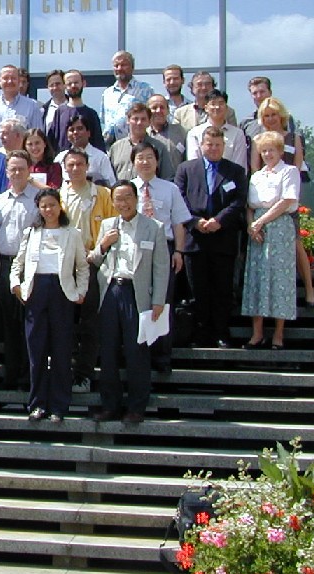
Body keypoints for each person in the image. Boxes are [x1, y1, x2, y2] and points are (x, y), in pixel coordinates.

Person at [88, 181, 168, 424]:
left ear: (136, 199)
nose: (123, 203)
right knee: (109, 352)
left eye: (127, 198)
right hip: (111, 290)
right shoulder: (108, 225)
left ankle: (136, 408)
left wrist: (158, 301)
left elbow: (161, 267)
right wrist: (103, 245)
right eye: (118, 199)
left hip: (138, 293)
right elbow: (93, 259)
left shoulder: (153, 227)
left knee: (137, 352)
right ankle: (110, 406)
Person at [9, 189, 88, 422]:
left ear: (59, 206)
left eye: (52, 205)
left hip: (62, 292)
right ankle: (37, 404)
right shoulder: (31, 233)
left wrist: (81, 291)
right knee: (37, 350)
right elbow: (18, 263)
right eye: (43, 206)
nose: (48, 210)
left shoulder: (72, 233)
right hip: (36, 291)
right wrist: (16, 284)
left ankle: (59, 406)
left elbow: (82, 267)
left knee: (62, 350)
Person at [174, 126, 248, 349]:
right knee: (198, 290)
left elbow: (239, 201)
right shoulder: (186, 169)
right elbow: (179, 199)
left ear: (223, 146)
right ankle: (200, 333)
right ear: (201, 145)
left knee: (222, 290)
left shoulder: (235, 171)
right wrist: (195, 221)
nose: (214, 148)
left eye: (218, 145)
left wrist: (219, 221)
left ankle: (221, 333)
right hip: (194, 239)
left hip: (223, 238)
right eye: (210, 144)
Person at [59, 148, 118, 394]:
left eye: (79, 164)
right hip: (65, 266)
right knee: (65, 322)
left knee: (89, 323)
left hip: (94, 264)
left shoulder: (103, 194)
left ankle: (84, 374)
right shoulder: (59, 195)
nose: (75, 169)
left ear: (87, 166)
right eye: (70, 165)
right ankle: (65, 372)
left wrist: (99, 249)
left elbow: (114, 228)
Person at [130, 143, 192, 373]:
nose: (144, 162)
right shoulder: (127, 189)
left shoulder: (170, 189)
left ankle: (162, 357)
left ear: (157, 162)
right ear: (133, 163)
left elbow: (178, 223)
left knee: (162, 303)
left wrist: (179, 251)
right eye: (140, 158)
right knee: (137, 304)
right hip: (135, 249)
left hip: (163, 247)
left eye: (149, 158)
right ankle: (138, 355)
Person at [249, 96, 314, 308]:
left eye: (273, 115)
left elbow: (297, 166)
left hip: (287, 198)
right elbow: (255, 168)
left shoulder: (293, 137)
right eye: (266, 116)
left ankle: (310, 290)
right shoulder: (259, 139)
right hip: (267, 197)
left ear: (282, 116)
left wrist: (287, 193)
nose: (270, 119)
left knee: (296, 244)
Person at [241, 131, 299, 350]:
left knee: (278, 278)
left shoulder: (289, 171)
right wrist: (251, 225)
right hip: (257, 231)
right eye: (263, 151)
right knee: (257, 277)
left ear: (280, 151)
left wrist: (261, 221)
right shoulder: (256, 176)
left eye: (271, 150)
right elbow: (250, 206)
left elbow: (287, 200)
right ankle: (257, 334)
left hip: (279, 227)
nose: (267, 154)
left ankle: (278, 334)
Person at [0, 150, 39, 390]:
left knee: (28, 323)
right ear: (7, 172)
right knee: (8, 323)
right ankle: (10, 375)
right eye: (13, 169)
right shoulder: (0, 199)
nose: (17, 172)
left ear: (29, 170)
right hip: (3, 265)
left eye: (21, 168)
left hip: (29, 267)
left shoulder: (38, 198)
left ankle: (27, 377)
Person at [109, 103, 175, 181]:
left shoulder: (159, 147)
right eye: (135, 119)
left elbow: (168, 178)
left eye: (143, 119)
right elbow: (110, 179)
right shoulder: (116, 148)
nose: (139, 123)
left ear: (149, 122)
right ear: (128, 120)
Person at [0, 65, 43, 149]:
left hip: (22, 158)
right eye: (6, 78)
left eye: (13, 78)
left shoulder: (32, 106)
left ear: (18, 82)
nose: (10, 81)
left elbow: (37, 136)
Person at [101, 51, 155, 145]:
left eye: (123, 65)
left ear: (132, 67)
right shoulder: (107, 93)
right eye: (116, 65)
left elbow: (152, 119)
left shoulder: (145, 89)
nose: (119, 68)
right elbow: (103, 121)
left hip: (136, 145)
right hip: (110, 147)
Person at [186, 90, 248, 169]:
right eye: (213, 104)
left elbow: (240, 165)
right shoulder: (195, 133)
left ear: (226, 108)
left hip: (231, 179)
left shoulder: (237, 134)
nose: (217, 107)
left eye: (221, 103)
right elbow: (193, 164)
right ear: (206, 108)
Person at [48, 69, 105, 153]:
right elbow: (52, 143)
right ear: (64, 86)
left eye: (76, 82)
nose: (73, 86)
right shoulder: (59, 113)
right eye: (69, 83)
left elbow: (98, 145)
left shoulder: (91, 114)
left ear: (84, 84)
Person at [54, 115, 116, 186]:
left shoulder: (101, 158)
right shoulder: (60, 158)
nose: (75, 132)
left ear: (88, 133)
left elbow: (111, 184)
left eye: (79, 129)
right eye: (71, 130)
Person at [173, 71, 239, 131]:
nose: (204, 87)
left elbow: (233, 134)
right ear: (192, 88)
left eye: (207, 84)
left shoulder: (228, 112)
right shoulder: (180, 114)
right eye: (199, 84)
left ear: (213, 87)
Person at [147, 94, 187, 172]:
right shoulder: (144, 134)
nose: (158, 111)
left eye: (162, 107)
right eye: (154, 108)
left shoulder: (180, 132)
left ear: (168, 110)